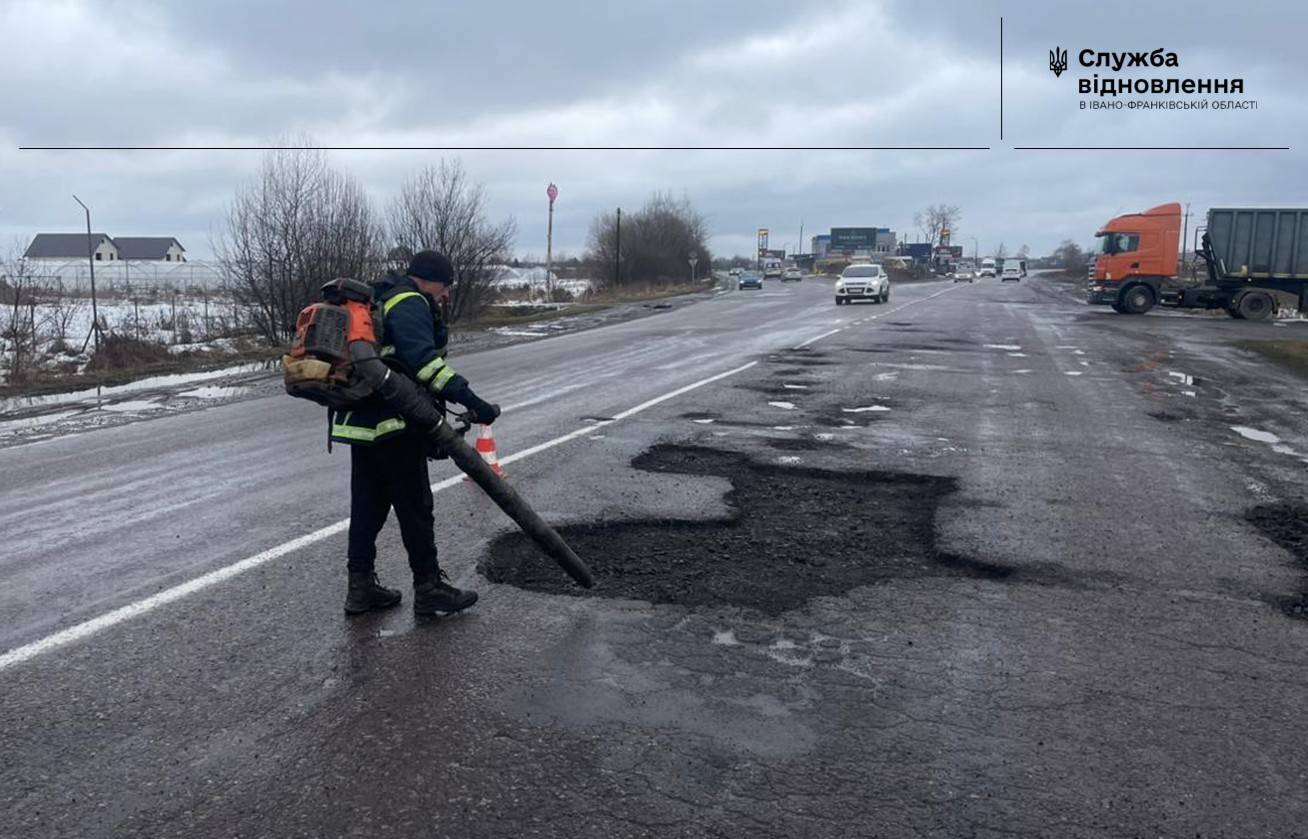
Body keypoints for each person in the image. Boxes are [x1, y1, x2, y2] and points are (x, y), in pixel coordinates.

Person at [330, 250, 500, 616]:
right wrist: (473, 401)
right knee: (416, 507)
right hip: (396, 425)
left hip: (361, 424)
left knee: (367, 509)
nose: (446, 294)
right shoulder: (410, 302)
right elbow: (426, 365)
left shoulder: (382, 299)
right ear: (428, 279)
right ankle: (429, 588)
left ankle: (360, 589)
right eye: (445, 285)